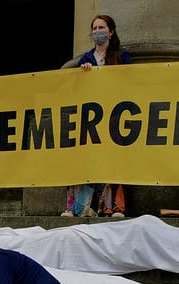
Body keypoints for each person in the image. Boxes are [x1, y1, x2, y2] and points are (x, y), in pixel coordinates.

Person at [64, 15, 131, 219]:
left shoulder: (121, 56)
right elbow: (76, 89)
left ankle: (113, 207)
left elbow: (131, 81)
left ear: (110, 31)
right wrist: (83, 75)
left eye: (101, 27)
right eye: (94, 28)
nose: (97, 31)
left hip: (115, 116)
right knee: (84, 160)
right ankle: (78, 207)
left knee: (113, 159)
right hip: (91, 117)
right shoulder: (86, 59)